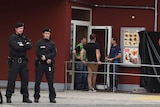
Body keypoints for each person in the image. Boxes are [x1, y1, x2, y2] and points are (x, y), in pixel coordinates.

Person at [6, 22, 32, 103]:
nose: (21, 30)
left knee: (25, 80)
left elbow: (30, 45)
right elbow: (16, 47)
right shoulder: (12, 38)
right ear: (16, 29)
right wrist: (24, 45)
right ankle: (9, 96)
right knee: (12, 79)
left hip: (23, 62)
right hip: (15, 61)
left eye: (22, 28)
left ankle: (25, 97)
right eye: (19, 28)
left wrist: (22, 45)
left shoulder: (24, 37)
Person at [34, 28, 57, 103]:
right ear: (43, 34)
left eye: (48, 33)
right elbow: (37, 52)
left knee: (50, 82)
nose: (47, 35)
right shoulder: (39, 43)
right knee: (38, 81)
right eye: (46, 33)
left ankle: (52, 97)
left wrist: (47, 57)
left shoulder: (52, 43)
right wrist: (42, 57)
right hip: (40, 63)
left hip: (49, 64)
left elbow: (54, 53)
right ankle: (36, 97)